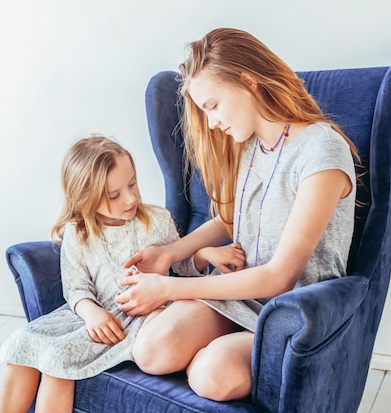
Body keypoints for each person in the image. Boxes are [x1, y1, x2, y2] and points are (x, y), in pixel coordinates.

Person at [116, 27, 360, 402]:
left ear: (248, 81)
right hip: (241, 297)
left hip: (292, 312)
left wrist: (172, 288)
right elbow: (232, 220)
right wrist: (171, 253)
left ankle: (216, 350)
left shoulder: (321, 150)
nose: (212, 122)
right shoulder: (250, 145)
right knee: (152, 350)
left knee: (210, 375)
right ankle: (212, 341)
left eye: (213, 105)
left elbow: (281, 277)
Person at [0, 135, 245, 413]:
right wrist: (90, 312)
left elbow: (179, 267)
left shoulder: (156, 220)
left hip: (139, 318)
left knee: (60, 359)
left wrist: (205, 254)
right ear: (85, 198)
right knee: (22, 341)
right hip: (92, 315)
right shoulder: (78, 233)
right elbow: (75, 286)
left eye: (132, 183)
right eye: (114, 195)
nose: (130, 198)